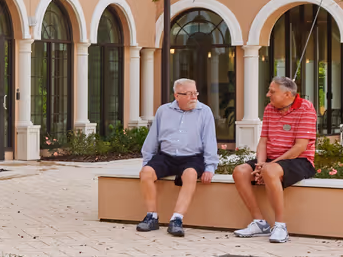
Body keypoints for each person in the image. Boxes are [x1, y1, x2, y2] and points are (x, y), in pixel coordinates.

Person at [230, 75, 318, 243]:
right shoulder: (270, 108)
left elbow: (300, 147)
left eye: (272, 91)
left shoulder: (306, 108)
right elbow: (263, 140)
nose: (268, 95)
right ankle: (259, 222)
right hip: (271, 159)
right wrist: (259, 164)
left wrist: (269, 166)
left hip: (299, 160)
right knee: (240, 171)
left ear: (288, 95)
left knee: (270, 170)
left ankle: (280, 226)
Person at [136, 77, 218, 237]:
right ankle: (151, 216)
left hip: (192, 157)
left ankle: (177, 219)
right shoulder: (163, 111)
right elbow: (152, 139)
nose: (194, 97)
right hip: (166, 156)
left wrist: (210, 167)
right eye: (189, 94)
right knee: (146, 173)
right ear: (177, 96)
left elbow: (210, 140)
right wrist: (147, 162)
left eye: (195, 93)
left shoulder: (204, 111)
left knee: (190, 175)